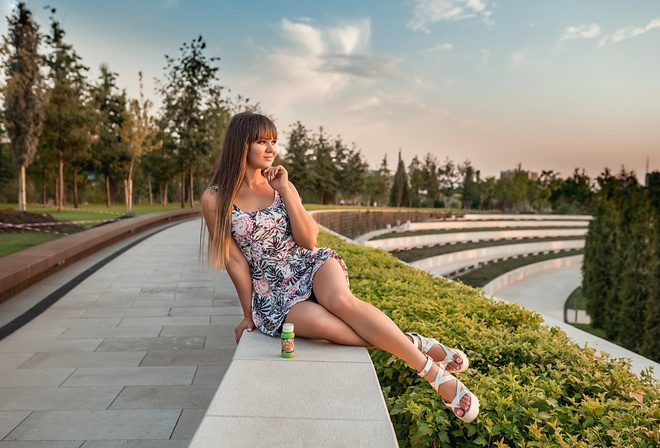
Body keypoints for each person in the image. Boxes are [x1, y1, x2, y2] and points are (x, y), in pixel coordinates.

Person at [201, 111, 480, 423]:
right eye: (261, 141)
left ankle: (436, 376)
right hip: (273, 291)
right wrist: (247, 313)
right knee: (324, 328)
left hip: (310, 263)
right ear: (241, 145)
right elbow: (235, 260)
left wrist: (287, 190)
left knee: (341, 302)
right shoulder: (215, 198)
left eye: (273, 142)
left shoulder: (279, 185)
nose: (271, 149)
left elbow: (308, 239)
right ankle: (415, 342)